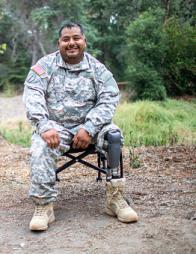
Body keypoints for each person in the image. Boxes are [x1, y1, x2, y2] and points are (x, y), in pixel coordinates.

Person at [23, 21, 138, 231]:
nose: (71, 43)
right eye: (66, 39)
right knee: (40, 144)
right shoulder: (44, 66)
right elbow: (32, 95)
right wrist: (44, 125)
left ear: (84, 41)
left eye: (76, 38)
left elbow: (109, 98)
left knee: (113, 135)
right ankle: (44, 207)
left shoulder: (97, 69)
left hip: (91, 127)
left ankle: (115, 199)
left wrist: (89, 127)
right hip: (56, 128)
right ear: (59, 43)